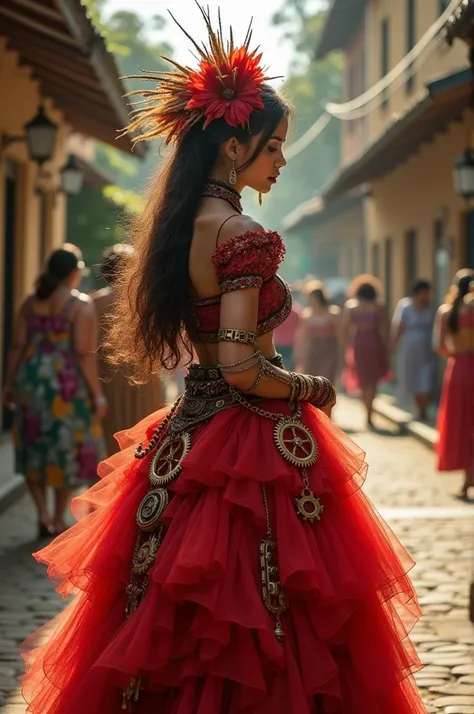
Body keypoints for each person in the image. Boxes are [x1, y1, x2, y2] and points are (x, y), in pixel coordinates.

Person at [21, 11, 427, 714]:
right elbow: (243, 365)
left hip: (190, 430)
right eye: (274, 149)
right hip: (251, 432)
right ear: (237, 149)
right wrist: (311, 385)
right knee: (272, 613)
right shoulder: (242, 234)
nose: (281, 163)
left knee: (166, 613)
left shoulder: (178, 231)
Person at [3, 247, 106, 537]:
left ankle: (42, 513)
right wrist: (97, 395)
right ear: (74, 273)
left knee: (33, 444)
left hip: (31, 382)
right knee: (65, 449)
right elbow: (84, 354)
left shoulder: (30, 302)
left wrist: (8, 385)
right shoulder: (79, 305)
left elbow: (16, 346)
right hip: (65, 388)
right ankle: (59, 516)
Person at [92, 244, 165, 455]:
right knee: (146, 437)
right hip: (143, 374)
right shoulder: (145, 299)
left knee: (112, 438)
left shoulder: (93, 303)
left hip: (107, 376)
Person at [434, 269, 474, 500]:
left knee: (461, 422)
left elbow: (441, 346)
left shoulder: (447, 312)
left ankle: (467, 479)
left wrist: (456, 353)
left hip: (458, 367)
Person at [342, 275, 390, 429]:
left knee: (363, 379)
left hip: (359, 343)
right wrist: (387, 348)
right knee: (373, 379)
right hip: (375, 342)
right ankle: (370, 412)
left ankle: (367, 412)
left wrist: (345, 348)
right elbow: (385, 328)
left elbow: (345, 329)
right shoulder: (379, 306)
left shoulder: (352, 306)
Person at [392, 279, 437, 421]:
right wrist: (394, 344)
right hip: (409, 347)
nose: (426, 295)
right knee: (412, 377)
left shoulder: (432, 308)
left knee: (426, 378)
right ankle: (419, 408)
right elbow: (399, 326)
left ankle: (423, 408)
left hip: (427, 348)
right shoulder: (405, 306)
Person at [294, 281, 341, 382]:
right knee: (312, 377)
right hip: (313, 348)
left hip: (329, 348)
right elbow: (303, 335)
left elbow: (340, 334)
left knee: (327, 376)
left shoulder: (333, 313)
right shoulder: (307, 314)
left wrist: (342, 352)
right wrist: (300, 352)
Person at [273, 302, 301, 371]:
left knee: (277, 369)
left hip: (278, 343)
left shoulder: (276, 311)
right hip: (290, 344)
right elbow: (299, 331)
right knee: (290, 371)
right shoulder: (296, 312)